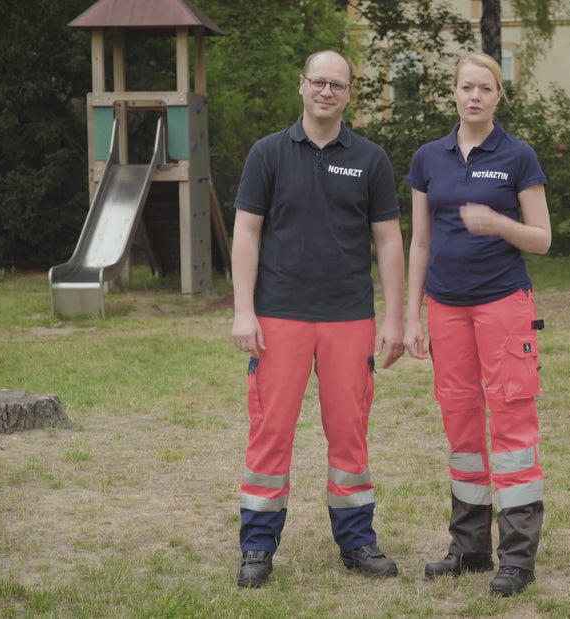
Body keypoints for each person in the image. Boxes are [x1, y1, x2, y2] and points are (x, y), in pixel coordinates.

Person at [230, 50, 406, 588]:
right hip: (278, 315)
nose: (327, 91)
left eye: (338, 84)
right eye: (318, 81)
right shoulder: (267, 153)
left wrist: (394, 317)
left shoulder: (371, 159)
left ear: (350, 93)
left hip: (348, 317)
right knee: (270, 432)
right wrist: (243, 310)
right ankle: (257, 548)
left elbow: (388, 241)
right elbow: (246, 232)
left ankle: (357, 542)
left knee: (349, 433)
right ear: (302, 85)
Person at [403, 53, 551, 597]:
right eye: (466, 87)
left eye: (485, 88)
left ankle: (516, 559)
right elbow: (420, 242)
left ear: (498, 96)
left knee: (511, 426)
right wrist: (412, 315)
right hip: (445, 307)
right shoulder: (428, 158)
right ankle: (468, 549)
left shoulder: (518, 156)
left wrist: (499, 223)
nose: (474, 96)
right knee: (462, 426)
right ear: (453, 93)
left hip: (503, 303)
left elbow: (542, 238)